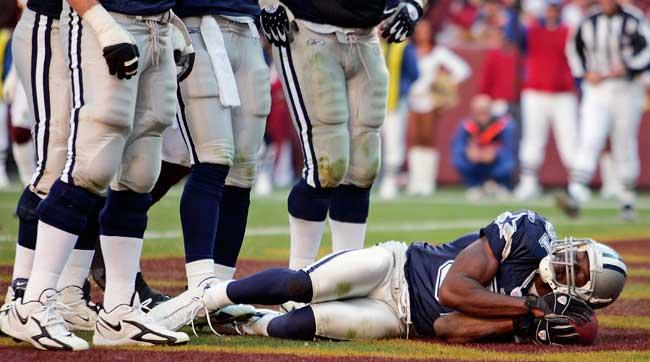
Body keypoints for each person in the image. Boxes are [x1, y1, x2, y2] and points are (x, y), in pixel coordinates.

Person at [1, 0, 190, 350]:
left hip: (154, 24)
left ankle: (118, 307)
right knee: (77, 165)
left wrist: (172, 21)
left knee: (141, 169)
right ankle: (30, 299)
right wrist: (102, 25)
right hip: (73, 21)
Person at [148, 210, 627, 343]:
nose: (570, 263)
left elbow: (446, 325)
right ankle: (205, 297)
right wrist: (528, 309)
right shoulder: (531, 232)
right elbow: (453, 290)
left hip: (403, 320)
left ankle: (242, 320)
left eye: (580, 273)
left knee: (296, 325)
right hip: (397, 266)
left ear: (583, 294)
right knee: (300, 286)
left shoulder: (541, 321)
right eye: (579, 255)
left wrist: (525, 323)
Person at [255, 0, 427, 276]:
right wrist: (269, 3)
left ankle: (346, 279)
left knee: (363, 168)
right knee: (326, 165)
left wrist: (414, 5)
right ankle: (296, 280)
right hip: (309, 30)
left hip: (366, 35)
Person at [561, 0, 650, 220]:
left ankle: (627, 199)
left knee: (624, 142)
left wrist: (628, 66)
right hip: (597, 89)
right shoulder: (588, 21)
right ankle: (576, 191)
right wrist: (584, 72)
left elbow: (647, 50)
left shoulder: (633, 19)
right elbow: (573, 49)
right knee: (590, 138)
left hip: (627, 89)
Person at [514, 0, 578, 201]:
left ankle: (577, 184)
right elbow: (512, 35)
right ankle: (528, 182)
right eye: (549, 8)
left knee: (569, 140)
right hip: (535, 92)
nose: (551, 12)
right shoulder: (531, 30)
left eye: (554, 8)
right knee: (533, 139)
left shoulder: (569, 31)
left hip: (563, 93)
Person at [406, 19, 470, 197]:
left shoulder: (438, 52)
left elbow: (463, 70)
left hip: (429, 101)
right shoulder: (409, 50)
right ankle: (415, 181)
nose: (421, 33)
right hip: (411, 100)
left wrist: (444, 84)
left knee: (427, 140)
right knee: (413, 140)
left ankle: (427, 182)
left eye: (425, 30)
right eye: (419, 30)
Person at [377, 36, 419, 200]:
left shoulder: (403, 47)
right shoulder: (371, 42)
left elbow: (414, 73)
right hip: (372, 101)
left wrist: (403, 90)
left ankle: (390, 180)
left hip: (394, 102)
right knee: (370, 141)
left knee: (393, 143)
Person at [451, 95, 516, 200]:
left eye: (485, 110)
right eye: (479, 110)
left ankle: (501, 185)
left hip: (496, 161)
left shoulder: (504, 124)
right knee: (458, 157)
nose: (482, 114)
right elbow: (458, 145)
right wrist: (468, 151)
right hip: (475, 162)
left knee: (507, 158)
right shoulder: (466, 125)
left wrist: (495, 152)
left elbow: (510, 146)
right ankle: (475, 185)